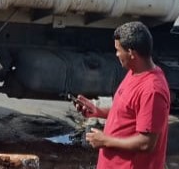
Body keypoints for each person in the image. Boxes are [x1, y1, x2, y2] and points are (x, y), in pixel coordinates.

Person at [73, 21, 170, 169]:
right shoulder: (134, 72)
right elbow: (127, 112)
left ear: (131, 53)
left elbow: (146, 143)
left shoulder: (152, 90)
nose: (117, 54)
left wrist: (105, 141)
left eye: (118, 50)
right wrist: (97, 111)